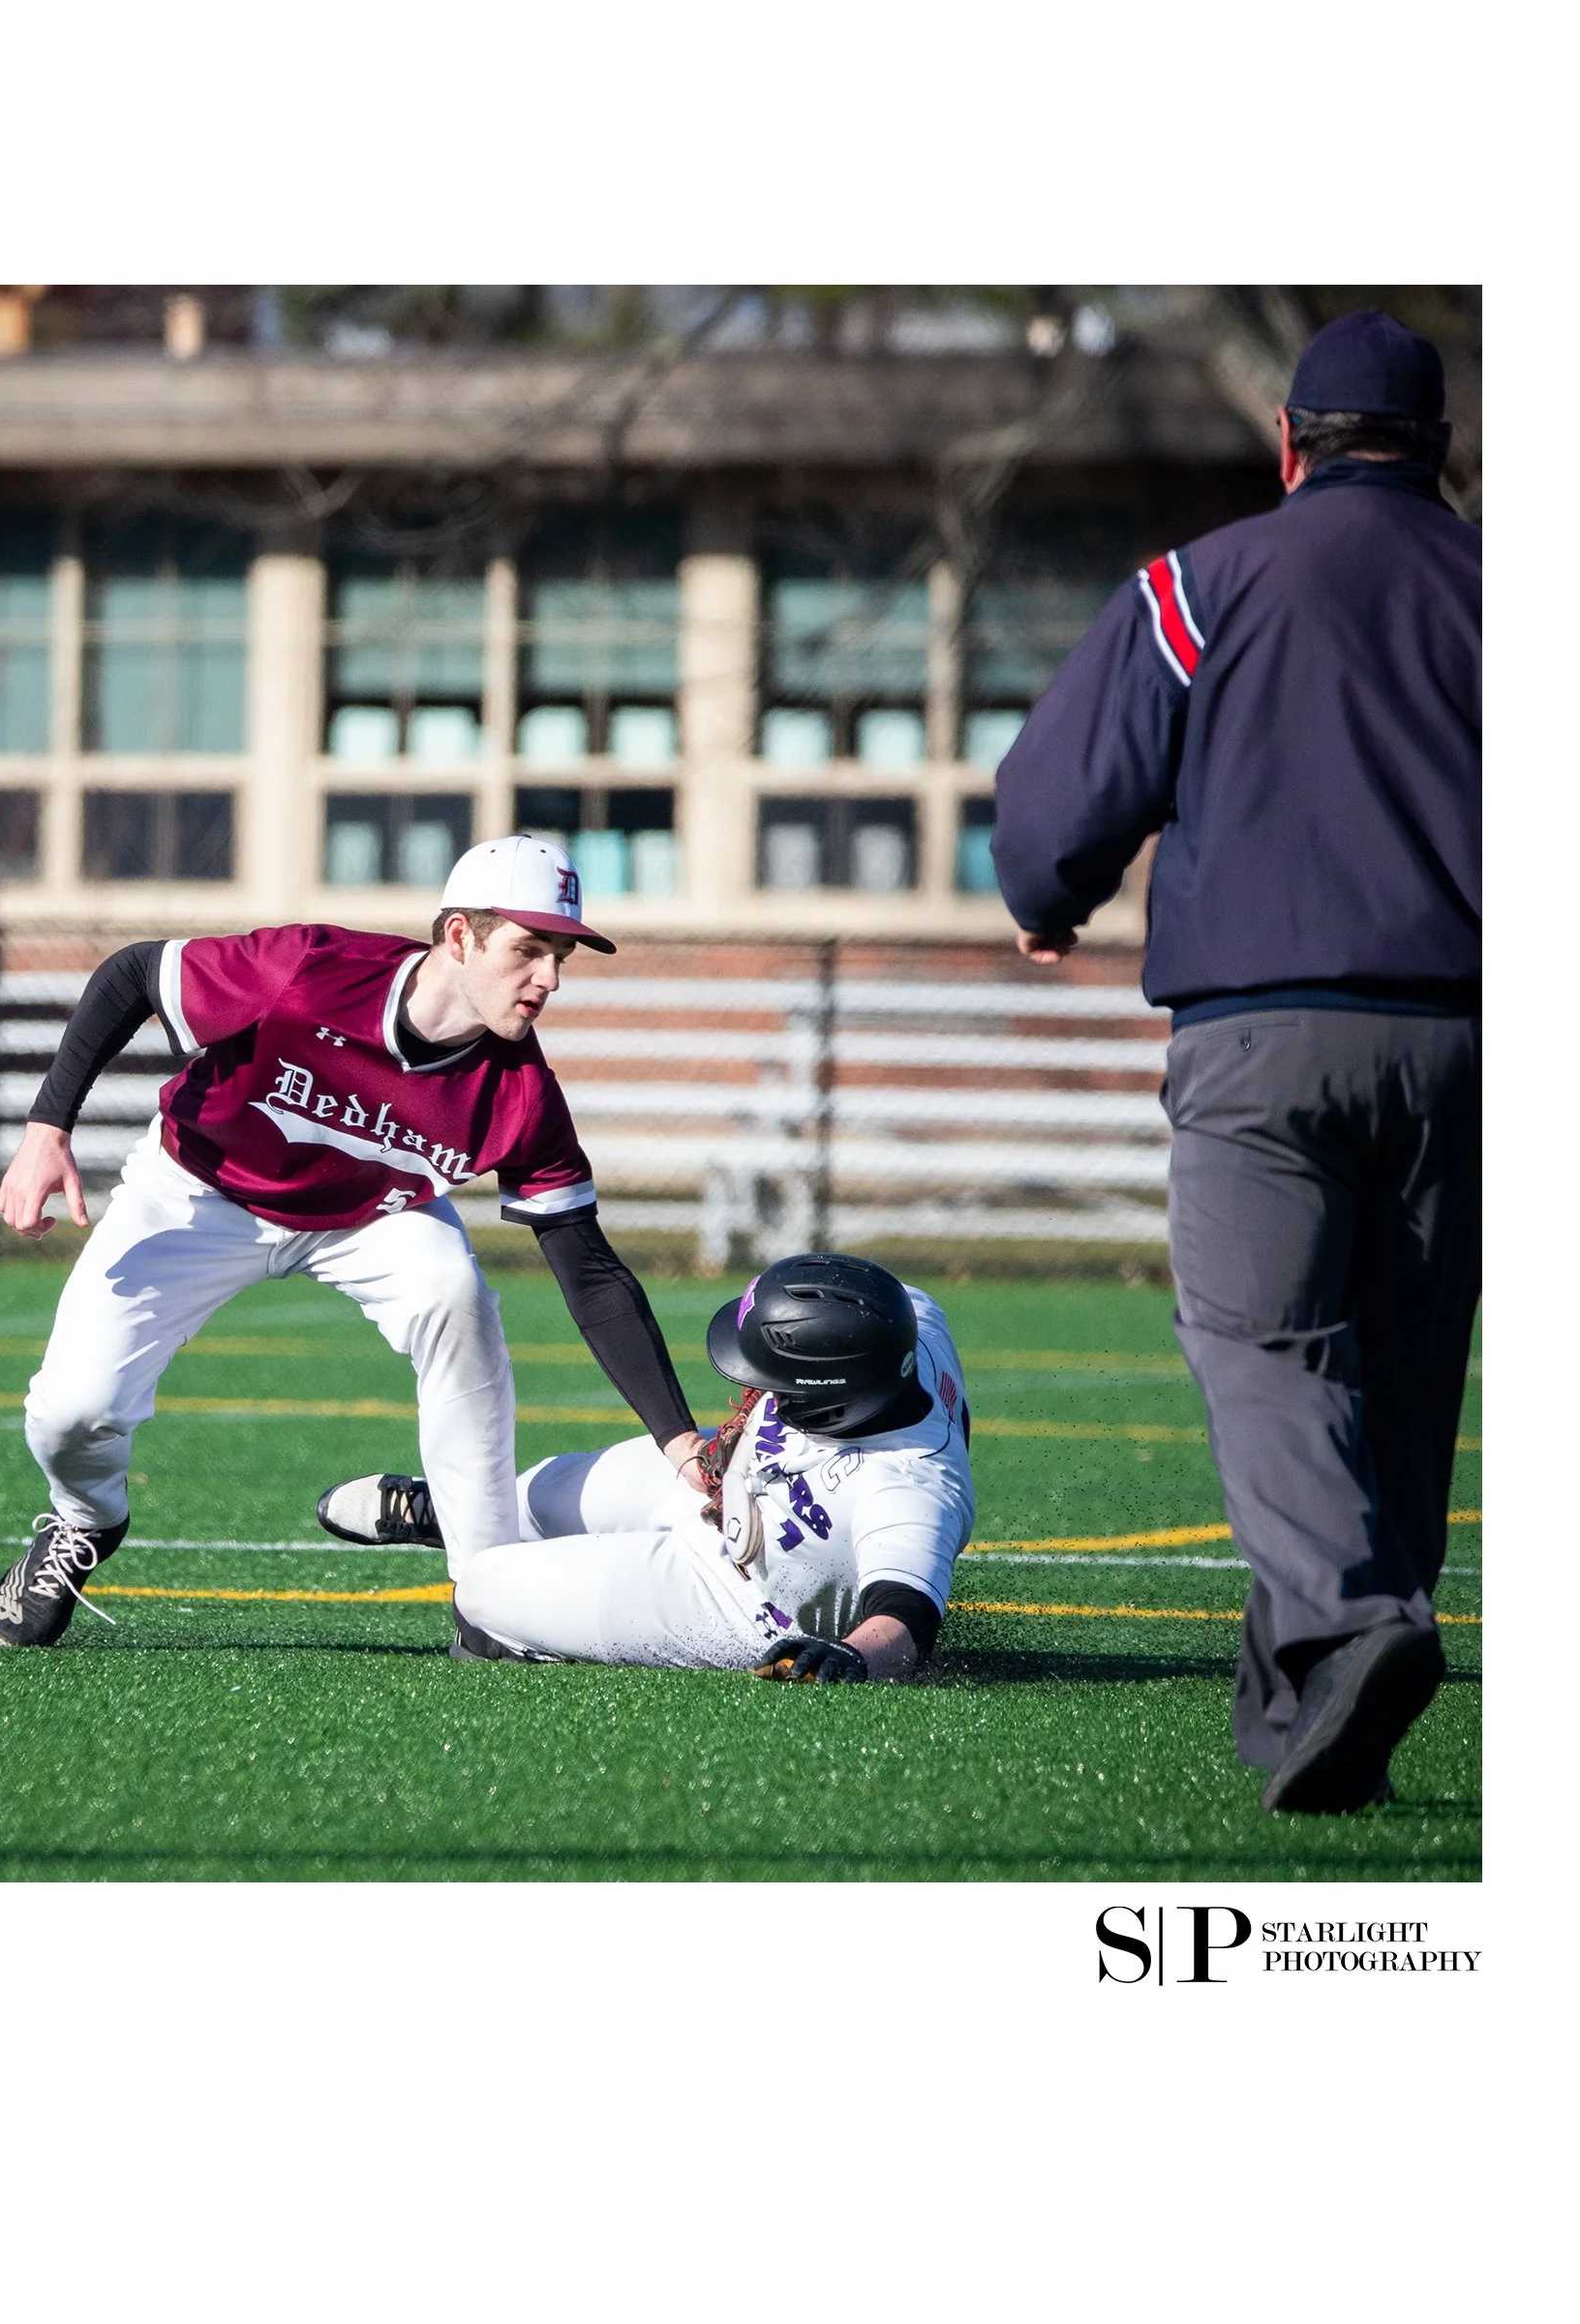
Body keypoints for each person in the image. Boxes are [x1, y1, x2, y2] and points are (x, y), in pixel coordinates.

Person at [990, 309, 1479, 1813]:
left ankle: (1355, 1625)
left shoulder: (1201, 585)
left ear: (1287, 443)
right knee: (1403, 1376)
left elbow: (1062, 792)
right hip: (1472, 1037)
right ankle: (1303, 1717)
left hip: (1263, 1031)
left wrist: (1049, 896)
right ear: (1440, 448)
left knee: (1265, 1346)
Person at [0, 835, 709, 1647]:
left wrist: (679, 1439)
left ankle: (490, 1592)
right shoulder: (309, 970)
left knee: (453, 1291)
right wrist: (47, 1129)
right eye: (529, 950)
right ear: (460, 936)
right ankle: (85, 1518)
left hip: (370, 1217)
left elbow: (593, 1277)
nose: (550, 978)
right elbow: (132, 974)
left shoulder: (521, 1093)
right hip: (199, 1189)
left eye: (561, 956)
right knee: (70, 1414)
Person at [319, 1254, 973, 1681]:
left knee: (484, 1587)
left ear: (832, 1395)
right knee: (542, 1492)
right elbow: (897, 1296)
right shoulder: (903, 1321)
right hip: (727, 1481)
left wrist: (854, 1656)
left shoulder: (908, 1489)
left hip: (735, 1595)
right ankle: (456, 1516)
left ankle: (518, 1638)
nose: (754, 1385)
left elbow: (906, 1615)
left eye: (774, 1378)